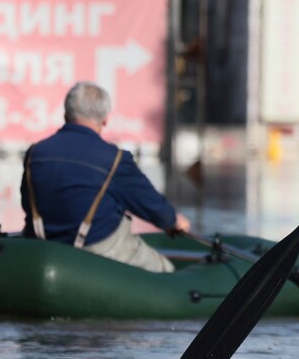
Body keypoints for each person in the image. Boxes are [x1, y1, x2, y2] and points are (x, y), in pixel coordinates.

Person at [20, 81, 190, 273]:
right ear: (105, 120)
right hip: (99, 250)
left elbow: (27, 203)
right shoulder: (116, 160)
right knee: (166, 270)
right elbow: (151, 205)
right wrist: (173, 221)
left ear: (66, 114)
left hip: (43, 249)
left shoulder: (35, 153)